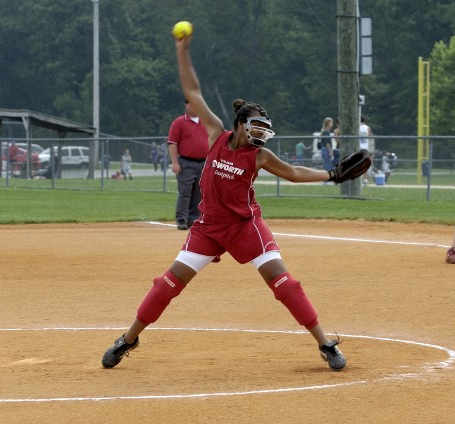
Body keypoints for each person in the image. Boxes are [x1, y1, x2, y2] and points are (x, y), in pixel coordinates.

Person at [101, 30, 347, 373]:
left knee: (285, 285)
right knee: (166, 285)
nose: (260, 133)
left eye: (264, 129)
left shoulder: (259, 156)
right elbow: (193, 91)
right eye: (255, 127)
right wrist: (181, 51)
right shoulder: (217, 134)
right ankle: (128, 339)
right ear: (240, 124)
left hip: (245, 226)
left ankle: (324, 343)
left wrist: (331, 174)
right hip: (209, 227)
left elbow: (292, 172)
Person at [167, 99, 209, 230]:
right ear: (186, 105)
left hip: (203, 162)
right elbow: (172, 143)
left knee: (198, 193)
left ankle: (193, 219)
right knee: (185, 193)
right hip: (186, 162)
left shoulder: (206, 121)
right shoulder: (179, 122)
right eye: (191, 103)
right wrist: (175, 162)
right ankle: (181, 219)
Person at [359, 116, 373, 186]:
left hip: (358, 147)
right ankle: (365, 180)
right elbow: (370, 137)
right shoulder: (368, 128)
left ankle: (357, 179)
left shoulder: (357, 127)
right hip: (365, 148)